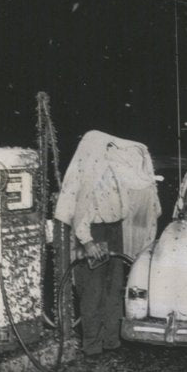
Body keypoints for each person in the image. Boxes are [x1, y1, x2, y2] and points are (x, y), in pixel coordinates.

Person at [55, 131, 160, 356]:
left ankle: (111, 340)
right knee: (93, 291)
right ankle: (92, 344)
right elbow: (80, 211)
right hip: (95, 232)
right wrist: (88, 241)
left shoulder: (116, 172)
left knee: (114, 286)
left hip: (114, 230)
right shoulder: (89, 176)